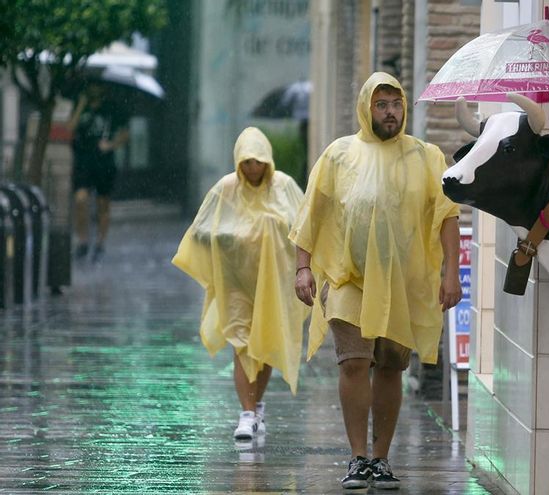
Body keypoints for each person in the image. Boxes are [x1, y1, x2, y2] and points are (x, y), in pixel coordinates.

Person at [290, 72, 462, 490]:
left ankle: (381, 458)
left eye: (396, 103)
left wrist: (451, 273)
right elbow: (310, 214)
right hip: (350, 279)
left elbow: (447, 216)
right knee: (353, 363)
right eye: (382, 104)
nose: (390, 112)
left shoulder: (425, 157)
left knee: (389, 367)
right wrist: (303, 267)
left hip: (402, 285)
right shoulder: (339, 155)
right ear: (367, 108)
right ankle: (357, 457)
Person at [172, 127, 309, 441]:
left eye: (258, 162)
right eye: (246, 162)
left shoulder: (284, 187)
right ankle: (246, 412)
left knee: (266, 345)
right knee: (243, 345)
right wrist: (230, 237)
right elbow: (201, 231)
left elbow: (304, 228)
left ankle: (257, 405)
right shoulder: (226, 189)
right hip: (236, 284)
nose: (252, 168)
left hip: (273, 284)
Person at [66, 85, 130, 262]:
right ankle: (83, 240)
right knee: (80, 199)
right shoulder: (80, 105)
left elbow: (125, 134)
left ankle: (101, 242)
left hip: (104, 161)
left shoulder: (112, 108)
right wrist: (81, 105)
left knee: (103, 203)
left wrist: (110, 145)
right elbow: (70, 127)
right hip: (83, 160)